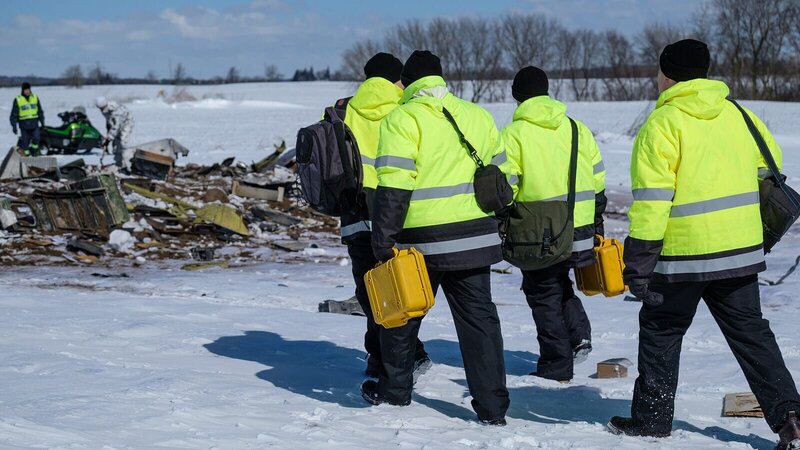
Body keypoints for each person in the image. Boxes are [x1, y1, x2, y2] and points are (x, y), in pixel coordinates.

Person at [608, 39, 800, 449]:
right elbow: (771, 167)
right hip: (740, 251)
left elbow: (653, 201)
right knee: (752, 335)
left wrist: (638, 263)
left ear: (666, 75)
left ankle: (652, 421)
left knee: (661, 331)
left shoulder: (662, 123)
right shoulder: (739, 114)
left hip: (682, 257)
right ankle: (791, 418)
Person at [362, 50, 510, 425]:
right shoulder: (478, 116)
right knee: (480, 322)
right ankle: (493, 408)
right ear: (441, 79)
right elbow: (504, 177)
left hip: (420, 241)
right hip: (474, 239)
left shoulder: (402, 118)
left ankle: (394, 393)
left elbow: (394, 185)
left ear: (408, 82)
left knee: (402, 315)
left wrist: (383, 239)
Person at [500, 66, 606, 383]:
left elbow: (506, 188)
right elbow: (598, 179)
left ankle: (556, 365)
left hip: (541, 233)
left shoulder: (513, 134)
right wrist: (596, 221)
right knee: (557, 281)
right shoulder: (577, 128)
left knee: (543, 292)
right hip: (581, 225)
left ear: (517, 96)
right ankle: (577, 334)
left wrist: (504, 219)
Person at [337, 52, 430, 379]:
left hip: (354, 212)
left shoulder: (342, 110)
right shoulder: (405, 108)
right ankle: (404, 356)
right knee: (401, 289)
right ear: (397, 79)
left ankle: (378, 358)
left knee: (369, 289)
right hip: (395, 212)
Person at [95, 96, 134, 168]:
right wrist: (108, 131)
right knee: (115, 145)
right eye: (100, 108)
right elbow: (110, 122)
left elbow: (116, 127)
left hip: (126, 123)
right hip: (116, 125)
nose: (101, 110)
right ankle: (118, 164)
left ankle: (127, 165)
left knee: (123, 143)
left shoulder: (116, 111)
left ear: (105, 105)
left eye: (101, 108)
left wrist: (108, 139)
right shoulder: (105, 110)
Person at [9, 82, 45, 156]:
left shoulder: (35, 97)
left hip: (34, 123)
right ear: (22, 90)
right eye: (25, 90)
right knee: (25, 142)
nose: (27, 91)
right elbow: (14, 114)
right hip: (24, 125)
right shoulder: (18, 99)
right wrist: (14, 126)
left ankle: (34, 151)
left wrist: (42, 122)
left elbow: (40, 111)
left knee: (37, 138)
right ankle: (26, 156)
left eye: (28, 89)